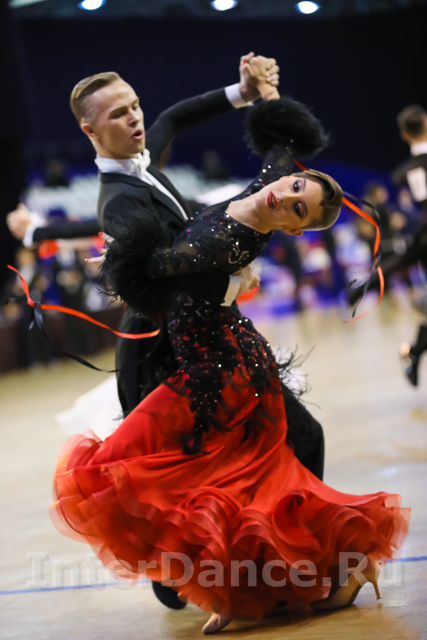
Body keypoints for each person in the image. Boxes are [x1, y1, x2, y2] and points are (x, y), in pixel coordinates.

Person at [50, 75, 409, 635]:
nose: (136, 118)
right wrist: (259, 100)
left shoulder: (204, 195)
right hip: (168, 348)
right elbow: (159, 275)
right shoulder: (122, 199)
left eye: (135, 106)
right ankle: (236, 579)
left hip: (217, 355)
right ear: (89, 129)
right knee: (188, 473)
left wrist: (248, 95)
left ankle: (275, 576)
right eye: (120, 114)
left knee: (254, 459)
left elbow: (165, 252)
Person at [349, 105, 427, 385]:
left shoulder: (407, 171)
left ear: (404, 135)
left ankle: (414, 351)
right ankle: (414, 351)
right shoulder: (414, 170)